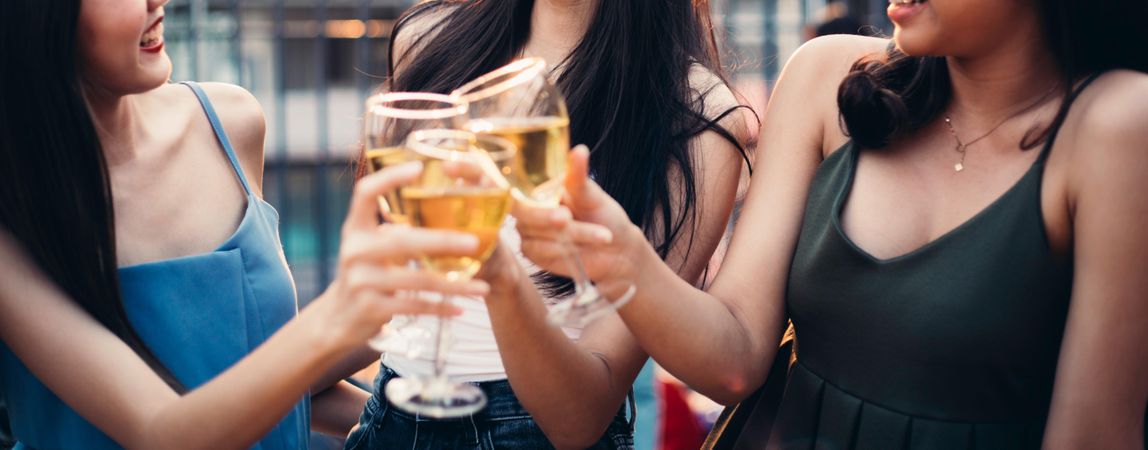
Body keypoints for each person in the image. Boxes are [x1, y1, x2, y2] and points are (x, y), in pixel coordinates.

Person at [516, 0, 1148, 447]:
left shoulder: (1118, 125)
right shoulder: (826, 75)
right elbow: (732, 362)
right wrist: (621, 256)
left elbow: (1094, 435)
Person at [0, 0, 488, 448]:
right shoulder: (13, 216)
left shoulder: (229, 122)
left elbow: (263, 380)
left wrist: (440, 429)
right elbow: (164, 433)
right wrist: (341, 312)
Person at [341, 0, 755, 448]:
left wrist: (500, 274)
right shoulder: (429, 37)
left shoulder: (694, 110)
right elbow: (396, 297)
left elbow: (578, 417)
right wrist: (288, 379)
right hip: (394, 408)